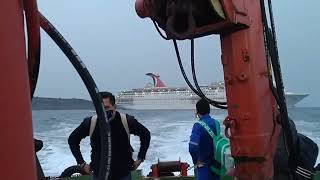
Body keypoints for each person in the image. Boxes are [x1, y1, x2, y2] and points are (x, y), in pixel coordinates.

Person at [68, 92, 151, 180]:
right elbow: (72, 140)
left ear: (114, 107)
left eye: (107, 108)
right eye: (100, 108)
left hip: (123, 173)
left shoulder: (126, 120)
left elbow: (145, 134)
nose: (103, 112)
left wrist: (140, 158)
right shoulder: (90, 122)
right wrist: (82, 163)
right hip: (99, 172)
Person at [189, 99, 220, 180]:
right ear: (209, 110)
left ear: (197, 111)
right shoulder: (216, 123)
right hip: (217, 166)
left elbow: (192, 147)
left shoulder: (198, 126)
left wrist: (196, 162)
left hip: (204, 168)